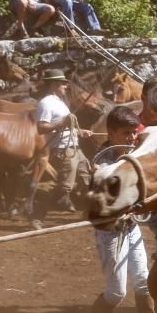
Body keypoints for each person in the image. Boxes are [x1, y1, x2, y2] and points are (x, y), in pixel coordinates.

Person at [80, 105, 157, 313]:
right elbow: (99, 203)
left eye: (133, 133)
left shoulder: (134, 157)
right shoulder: (103, 163)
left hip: (130, 228)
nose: (131, 139)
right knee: (116, 291)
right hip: (109, 232)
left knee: (143, 282)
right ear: (111, 133)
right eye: (126, 134)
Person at [35, 69, 93, 212]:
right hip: (63, 149)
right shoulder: (46, 103)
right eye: (63, 83)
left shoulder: (60, 102)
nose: (66, 86)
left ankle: (90, 209)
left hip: (75, 147)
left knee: (86, 177)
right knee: (65, 186)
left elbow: (68, 124)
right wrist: (62, 122)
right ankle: (37, 214)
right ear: (54, 84)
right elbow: (41, 127)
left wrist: (80, 132)